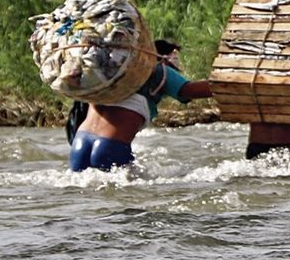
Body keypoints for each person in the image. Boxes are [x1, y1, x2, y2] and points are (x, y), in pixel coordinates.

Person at [69, 39, 213, 171]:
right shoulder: (158, 70)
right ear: (164, 57)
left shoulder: (112, 73)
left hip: (79, 143)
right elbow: (190, 90)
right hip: (111, 146)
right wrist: (229, 82)